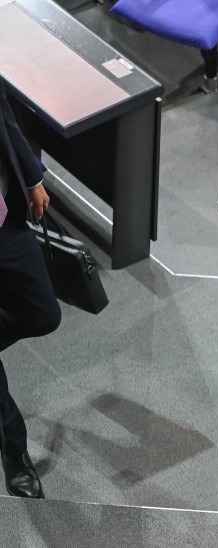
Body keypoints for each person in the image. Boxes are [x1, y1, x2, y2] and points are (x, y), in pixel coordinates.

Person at [0, 78, 61, 499]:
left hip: (3, 221)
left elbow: (5, 121)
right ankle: (15, 453)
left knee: (44, 314)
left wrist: (33, 176)